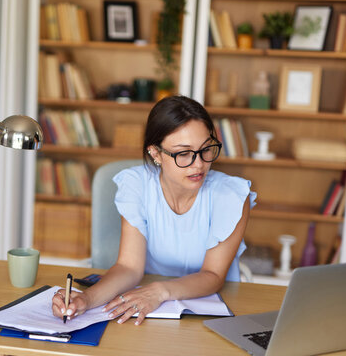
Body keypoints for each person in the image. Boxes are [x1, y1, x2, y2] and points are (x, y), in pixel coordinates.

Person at [52, 95, 256, 326]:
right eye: (184, 153)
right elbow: (129, 267)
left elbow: (213, 276)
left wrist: (160, 291)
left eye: (206, 150)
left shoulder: (232, 196)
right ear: (155, 153)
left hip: (213, 308)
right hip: (150, 308)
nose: (199, 164)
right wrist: (86, 300)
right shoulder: (137, 186)